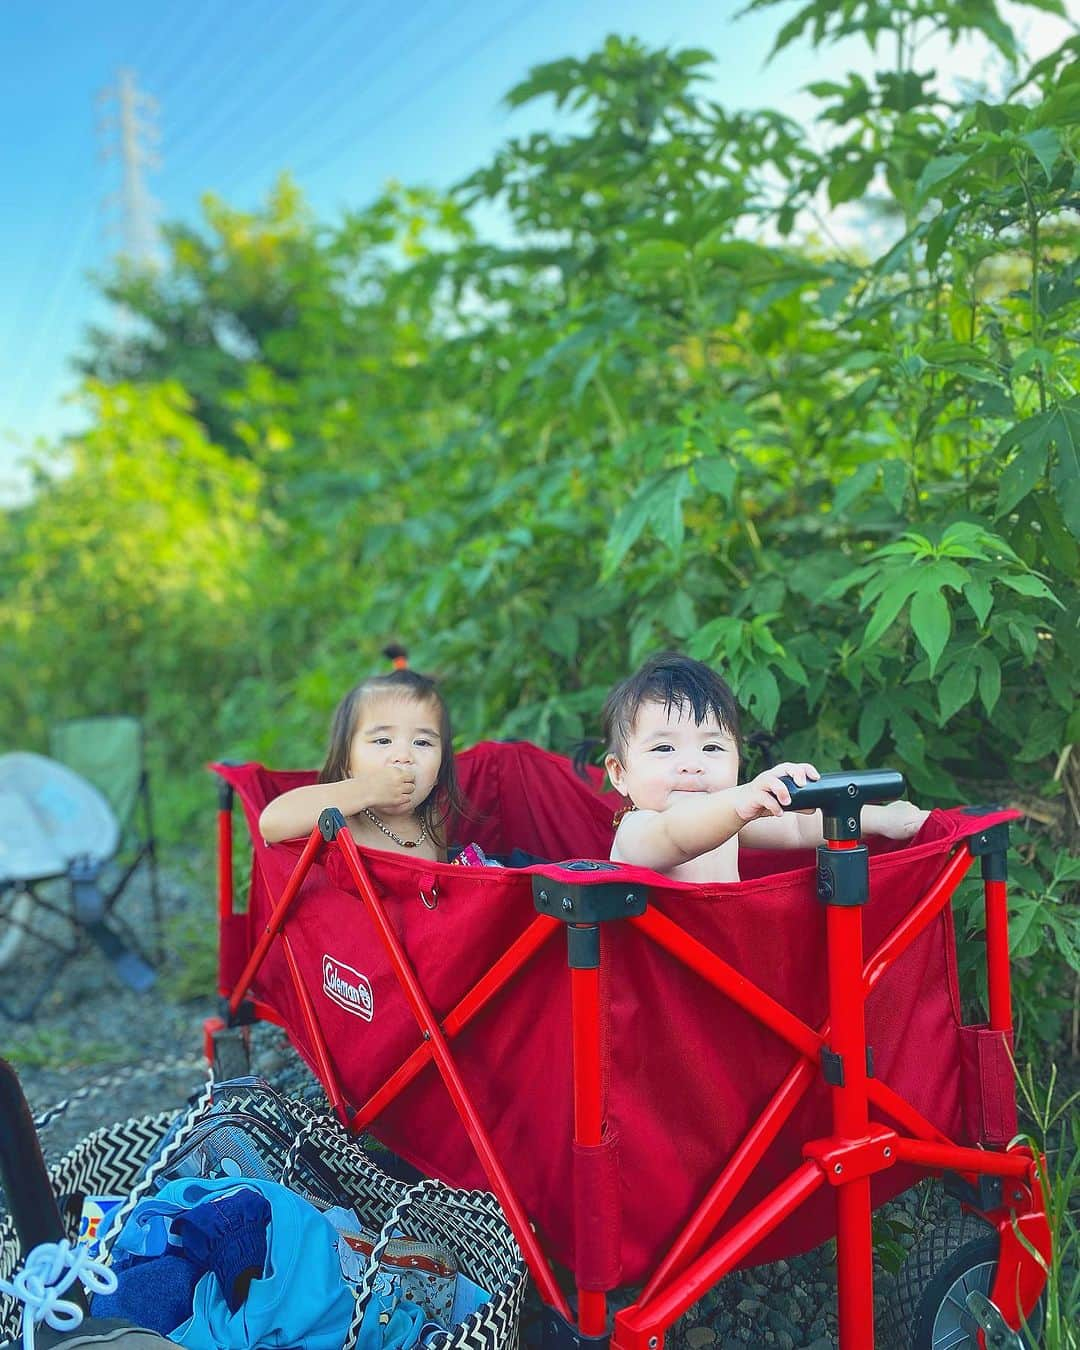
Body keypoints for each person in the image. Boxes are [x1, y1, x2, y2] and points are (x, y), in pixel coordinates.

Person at [603, 652, 929, 883]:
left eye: (712, 747)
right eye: (664, 748)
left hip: (731, 971)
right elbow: (676, 835)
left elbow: (798, 828)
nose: (692, 766)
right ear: (619, 773)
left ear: (738, 760)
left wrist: (882, 818)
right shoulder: (638, 830)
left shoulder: (731, 820)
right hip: (658, 978)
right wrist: (741, 800)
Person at [258, 661, 466, 862]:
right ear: (347, 761)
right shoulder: (342, 819)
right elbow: (271, 823)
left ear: (440, 770)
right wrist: (366, 790)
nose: (403, 756)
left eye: (422, 742)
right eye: (383, 740)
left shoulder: (431, 820)